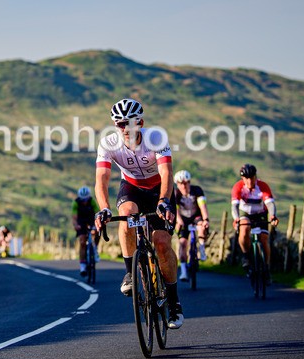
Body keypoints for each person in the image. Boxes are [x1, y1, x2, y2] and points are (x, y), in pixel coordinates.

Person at [93, 98, 183, 329]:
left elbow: (166, 173)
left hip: (158, 189)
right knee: (127, 216)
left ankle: (174, 303)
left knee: (162, 243)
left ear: (140, 122)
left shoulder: (156, 138)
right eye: (119, 123)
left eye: (128, 123)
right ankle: (130, 274)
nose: (124, 128)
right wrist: (104, 207)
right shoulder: (108, 143)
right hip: (131, 187)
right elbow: (101, 180)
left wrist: (163, 201)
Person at [231, 164, 279, 281]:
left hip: (260, 214)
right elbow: (234, 206)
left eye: (252, 177)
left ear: (255, 176)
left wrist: (272, 215)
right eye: (246, 178)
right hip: (245, 213)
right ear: (242, 179)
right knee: (244, 230)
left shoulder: (262, 186)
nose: (249, 181)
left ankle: (266, 268)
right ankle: (246, 256)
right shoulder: (238, 187)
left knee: (264, 239)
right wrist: (236, 218)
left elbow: (270, 203)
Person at [173, 169, 211, 281]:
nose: (184, 186)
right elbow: (176, 210)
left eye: (186, 183)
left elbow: (203, 206)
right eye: (181, 184)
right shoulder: (175, 193)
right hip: (183, 219)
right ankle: (184, 272)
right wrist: (179, 221)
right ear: (177, 184)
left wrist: (206, 219)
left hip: (196, 216)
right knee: (183, 244)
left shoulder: (197, 190)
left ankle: (202, 250)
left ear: (189, 182)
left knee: (201, 226)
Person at [72, 185, 100, 276]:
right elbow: (74, 217)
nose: (84, 201)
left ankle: (95, 247)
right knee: (82, 242)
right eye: (82, 200)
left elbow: (97, 213)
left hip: (91, 219)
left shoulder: (92, 201)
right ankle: (83, 266)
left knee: (98, 231)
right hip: (81, 221)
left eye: (86, 199)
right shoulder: (76, 203)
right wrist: (76, 225)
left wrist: (97, 225)